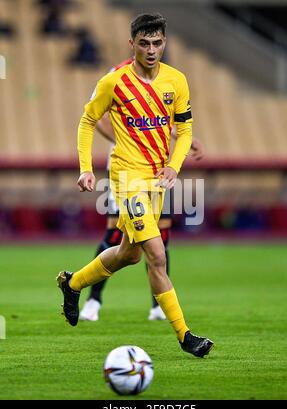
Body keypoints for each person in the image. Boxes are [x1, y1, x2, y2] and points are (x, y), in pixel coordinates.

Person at [57, 13, 214, 358]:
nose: (152, 49)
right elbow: (87, 120)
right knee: (157, 255)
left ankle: (73, 284)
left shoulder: (176, 81)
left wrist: (174, 166)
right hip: (126, 178)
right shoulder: (114, 81)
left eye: (157, 42)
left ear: (165, 43)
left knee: (129, 253)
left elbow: (184, 130)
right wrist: (85, 168)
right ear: (132, 44)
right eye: (144, 43)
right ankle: (186, 336)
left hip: (157, 178)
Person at [79, 108, 204, 322]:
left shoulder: (160, 79)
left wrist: (178, 135)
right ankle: (93, 299)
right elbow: (96, 118)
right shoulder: (115, 76)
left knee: (160, 233)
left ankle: (158, 305)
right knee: (116, 234)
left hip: (156, 168)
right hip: (125, 169)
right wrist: (129, 143)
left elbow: (157, 120)